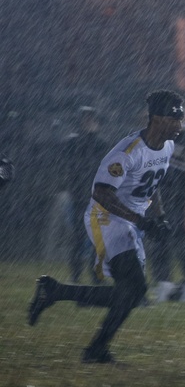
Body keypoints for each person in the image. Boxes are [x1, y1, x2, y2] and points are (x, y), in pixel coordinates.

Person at [26, 90, 184, 364]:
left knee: (130, 294)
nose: (180, 124)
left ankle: (61, 298)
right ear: (157, 119)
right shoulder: (127, 150)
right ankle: (92, 343)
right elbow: (100, 192)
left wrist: (160, 216)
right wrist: (140, 220)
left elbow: (152, 184)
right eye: (175, 118)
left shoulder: (167, 146)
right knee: (134, 290)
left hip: (130, 221)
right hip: (106, 218)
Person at [147, 125, 185, 302]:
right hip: (165, 195)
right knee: (161, 239)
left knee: (182, 239)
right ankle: (166, 281)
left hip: (181, 197)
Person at [59, 107, 110, 283]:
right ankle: (76, 277)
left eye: (92, 119)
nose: (90, 122)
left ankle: (96, 277)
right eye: (86, 119)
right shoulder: (74, 143)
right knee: (79, 238)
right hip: (80, 196)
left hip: (96, 197)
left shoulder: (100, 144)